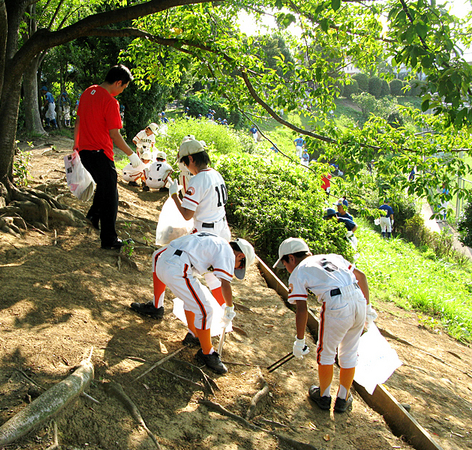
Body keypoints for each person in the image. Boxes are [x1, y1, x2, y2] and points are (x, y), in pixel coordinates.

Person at [273, 237, 377, 413]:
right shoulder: (333, 257)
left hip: (337, 305)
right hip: (358, 299)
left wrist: (299, 341)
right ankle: (343, 399)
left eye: (285, 264)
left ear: (291, 258)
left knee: (326, 352)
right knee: (349, 352)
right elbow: (361, 276)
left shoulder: (299, 271)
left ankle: (324, 395)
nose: (287, 269)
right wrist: (367, 307)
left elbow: (301, 309)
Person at [130, 232, 255, 374]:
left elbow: (160, 253)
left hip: (164, 261)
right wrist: (229, 307)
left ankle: (193, 335)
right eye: (238, 266)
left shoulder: (215, 240)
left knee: (194, 300)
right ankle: (207, 353)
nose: (234, 269)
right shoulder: (228, 252)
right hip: (177, 268)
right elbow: (225, 284)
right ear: (240, 256)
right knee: (205, 310)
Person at [73, 64, 142, 250]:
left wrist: (76, 145)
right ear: (118, 82)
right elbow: (115, 135)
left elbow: (78, 120)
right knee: (111, 194)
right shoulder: (111, 102)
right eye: (123, 87)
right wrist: (132, 155)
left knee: (104, 186)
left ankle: (93, 217)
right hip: (101, 153)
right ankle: (109, 239)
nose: (121, 91)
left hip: (84, 152)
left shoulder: (88, 92)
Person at [169, 137, 231, 308]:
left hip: (205, 236)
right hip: (221, 229)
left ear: (190, 159)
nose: (185, 167)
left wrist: (174, 195)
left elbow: (187, 215)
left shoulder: (198, 179)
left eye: (184, 163)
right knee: (214, 277)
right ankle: (225, 312)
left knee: (175, 266)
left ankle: (197, 320)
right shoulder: (216, 174)